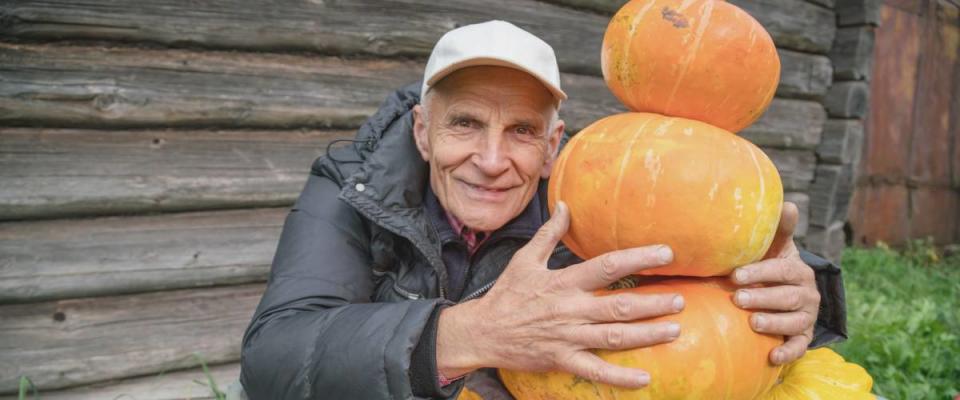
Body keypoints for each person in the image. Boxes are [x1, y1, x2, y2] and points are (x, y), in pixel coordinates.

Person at [240, 20, 846, 400]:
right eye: (466, 124)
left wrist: (806, 294)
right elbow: (275, 357)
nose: (493, 159)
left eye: (524, 130)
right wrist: (471, 334)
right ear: (423, 132)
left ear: (554, 146)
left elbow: (703, 269)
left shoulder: (601, 189)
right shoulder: (353, 187)